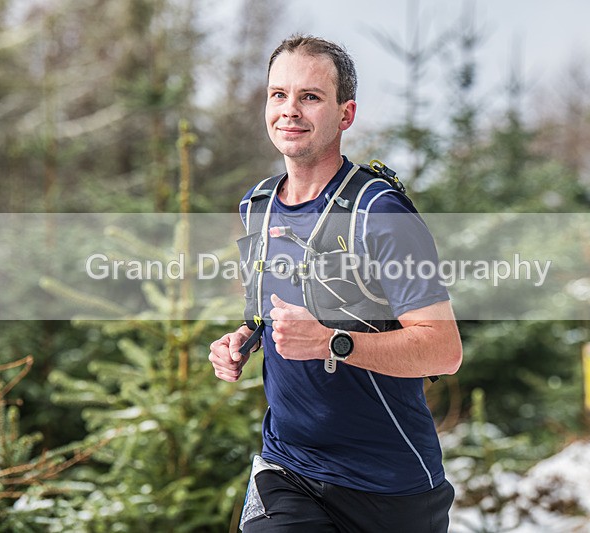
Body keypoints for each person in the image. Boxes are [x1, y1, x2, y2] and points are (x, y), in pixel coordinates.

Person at [208, 34, 463, 533]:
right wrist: (244, 339)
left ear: (345, 114)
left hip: (389, 486)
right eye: (278, 94)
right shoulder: (256, 206)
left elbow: (443, 351)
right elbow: (269, 310)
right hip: (289, 468)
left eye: (310, 97)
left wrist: (332, 343)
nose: (289, 111)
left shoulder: (380, 212)